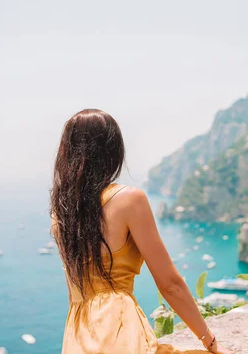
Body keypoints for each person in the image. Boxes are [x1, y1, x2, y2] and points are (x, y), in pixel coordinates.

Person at [50, 109, 233, 354]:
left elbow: (74, 291)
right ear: (114, 151)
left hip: (78, 337)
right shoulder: (128, 200)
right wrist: (210, 341)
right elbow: (169, 285)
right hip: (120, 331)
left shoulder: (62, 212)